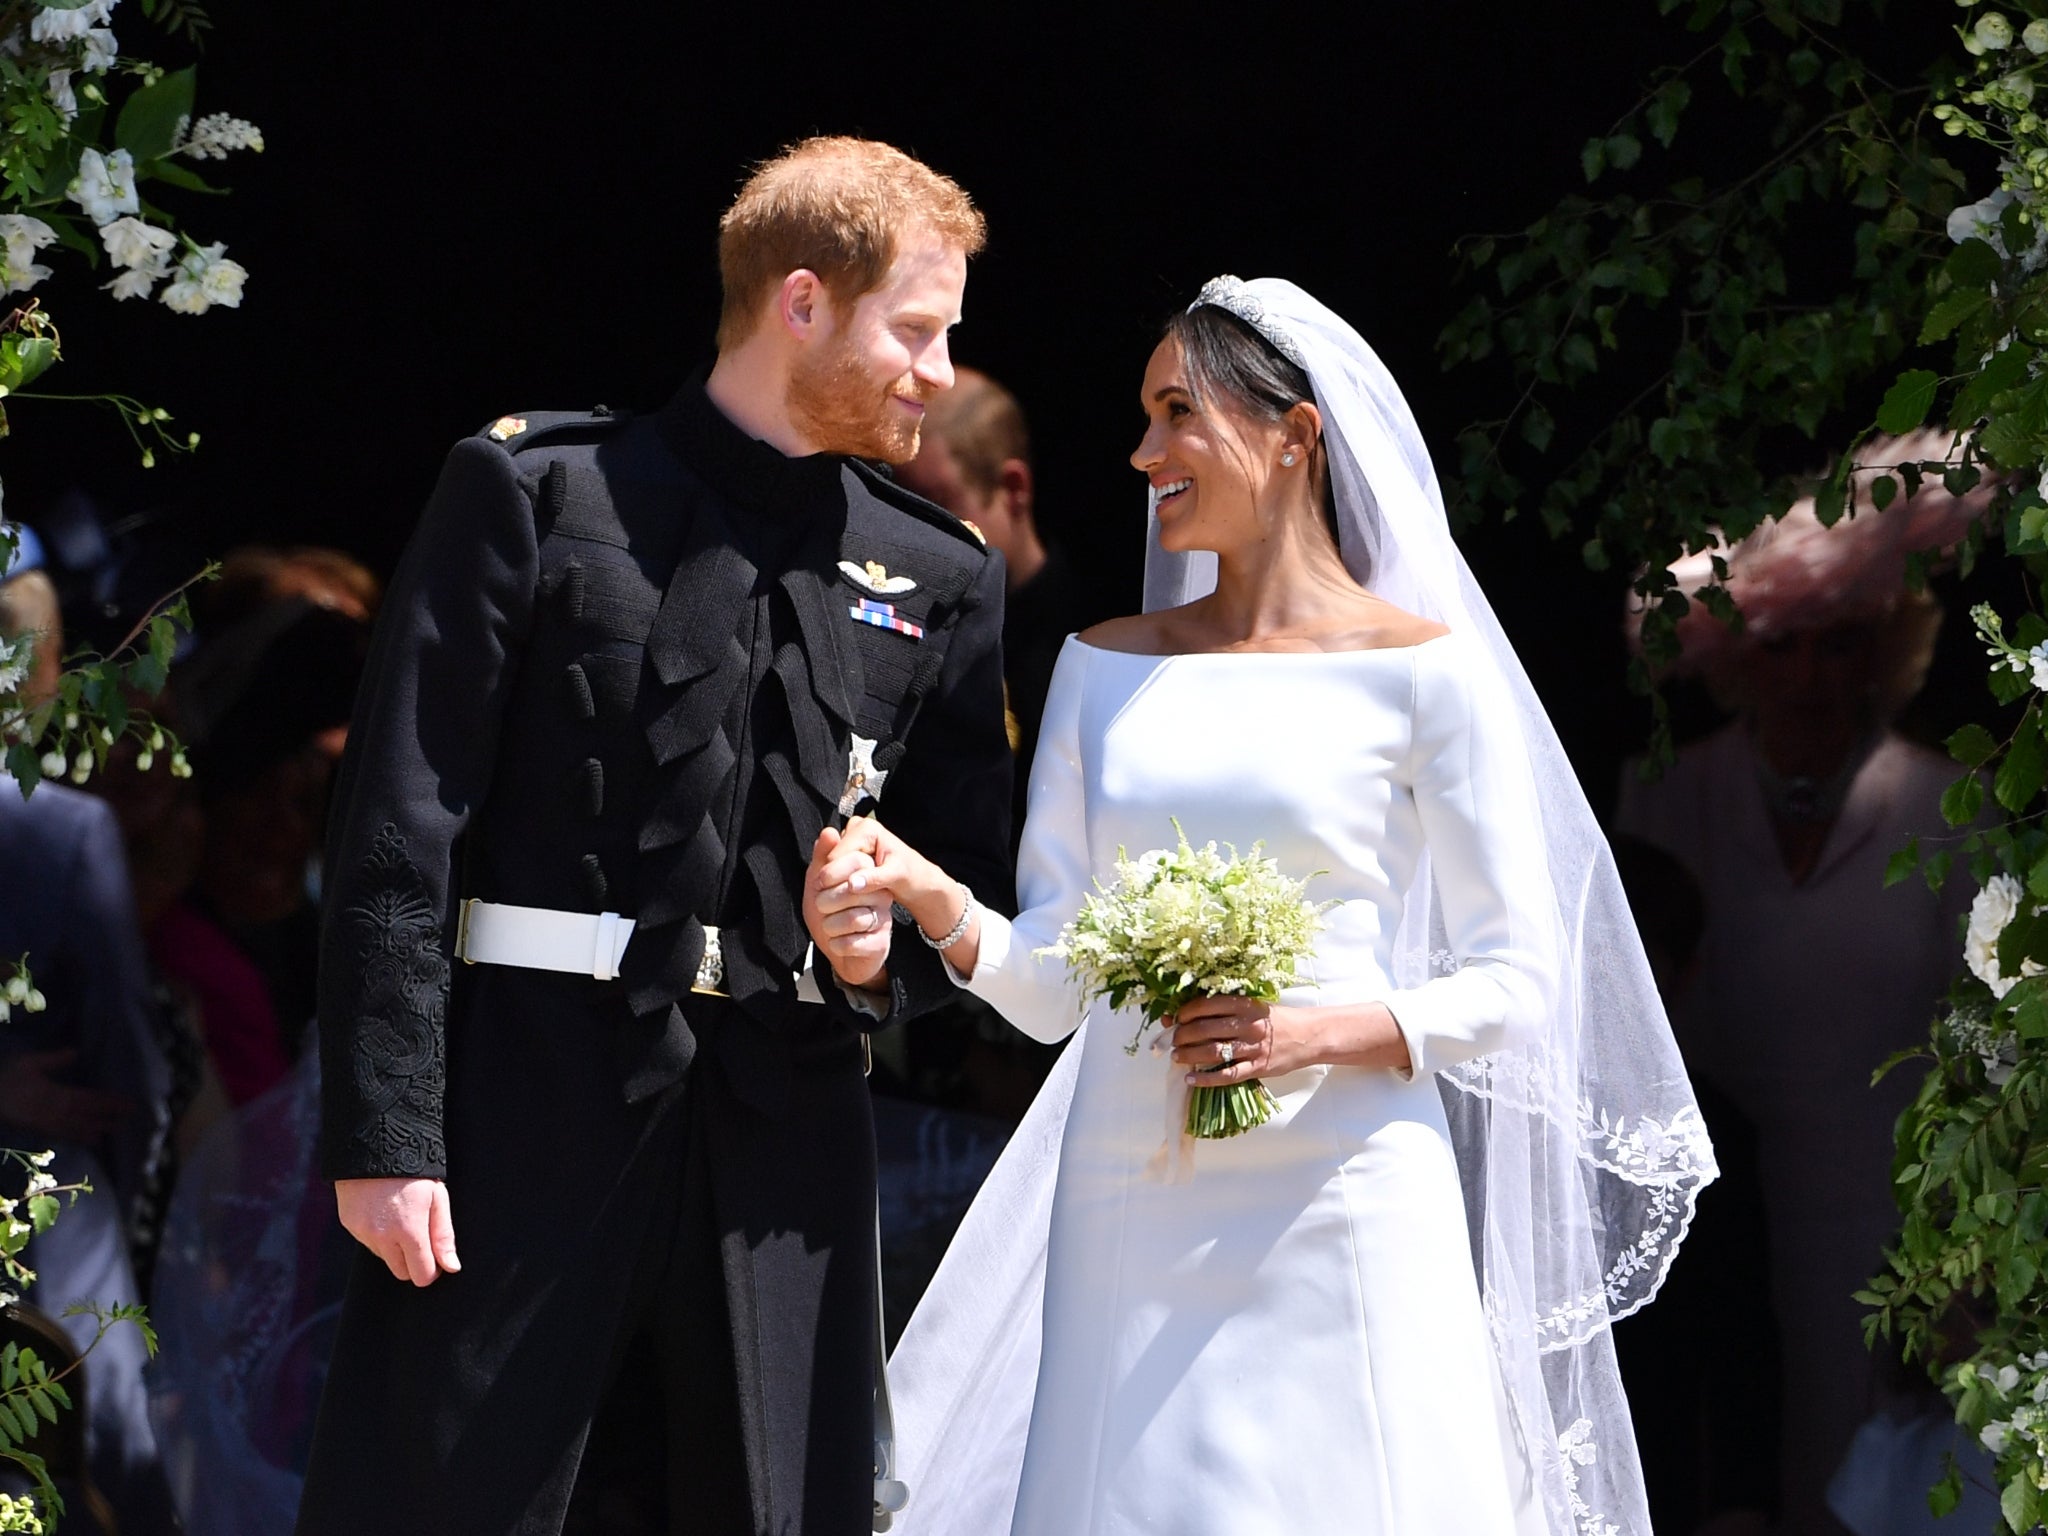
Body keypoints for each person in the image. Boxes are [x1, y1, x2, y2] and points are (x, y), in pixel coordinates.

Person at [808, 278, 1714, 1535]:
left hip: (1344, 1184)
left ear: (1292, 436)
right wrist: (931, 896)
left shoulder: (1422, 676)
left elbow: (1518, 983)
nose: (1141, 453)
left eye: (1177, 413)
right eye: (1143, 416)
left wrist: (1311, 1033)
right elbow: (1057, 987)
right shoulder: (1098, 667)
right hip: (1129, 1180)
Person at [294, 136, 1013, 1536]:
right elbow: (398, 832)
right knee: (450, 1500)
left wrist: (881, 950)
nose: (938, 372)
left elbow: (962, 879)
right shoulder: (536, 492)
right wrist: (387, 1132)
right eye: (915, 331)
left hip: (787, 1136)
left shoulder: (942, 575)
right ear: (800, 302)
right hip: (523, 1100)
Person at [1614, 441, 1991, 1534]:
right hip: (1707, 1208)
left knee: (1862, 1478)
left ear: (1884, 647)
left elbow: (1994, 1047)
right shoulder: (1662, 795)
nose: (1812, 674)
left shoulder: (1950, 808)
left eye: (1840, 644)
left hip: (1886, 1219)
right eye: (1781, 645)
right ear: (1734, 655)